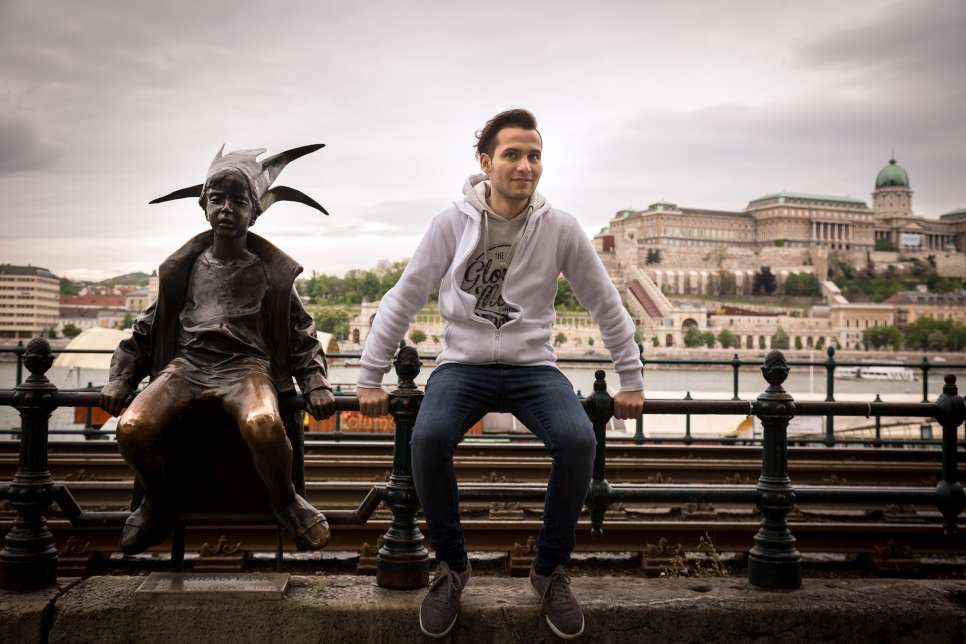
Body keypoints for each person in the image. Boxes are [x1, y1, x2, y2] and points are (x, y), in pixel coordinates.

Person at [357, 109, 645, 639]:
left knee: (579, 441)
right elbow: (405, 296)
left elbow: (605, 303)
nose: (525, 166)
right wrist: (370, 376)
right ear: (486, 162)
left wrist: (631, 379)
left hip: (534, 365)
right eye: (512, 154)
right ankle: (452, 567)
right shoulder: (450, 224)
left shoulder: (560, 228)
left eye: (534, 155)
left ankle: (549, 569)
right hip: (462, 364)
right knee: (428, 438)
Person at [99, 144, 336, 555]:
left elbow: (301, 332)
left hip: (248, 369)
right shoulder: (185, 270)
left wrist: (314, 382)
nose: (226, 209)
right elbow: (145, 331)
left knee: (264, 422)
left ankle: (286, 501)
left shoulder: (269, 272)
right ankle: (157, 503)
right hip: (185, 366)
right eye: (217, 199)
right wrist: (122, 377)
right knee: (133, 427)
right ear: (204, 206)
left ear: (254, 211)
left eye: (238, 201)